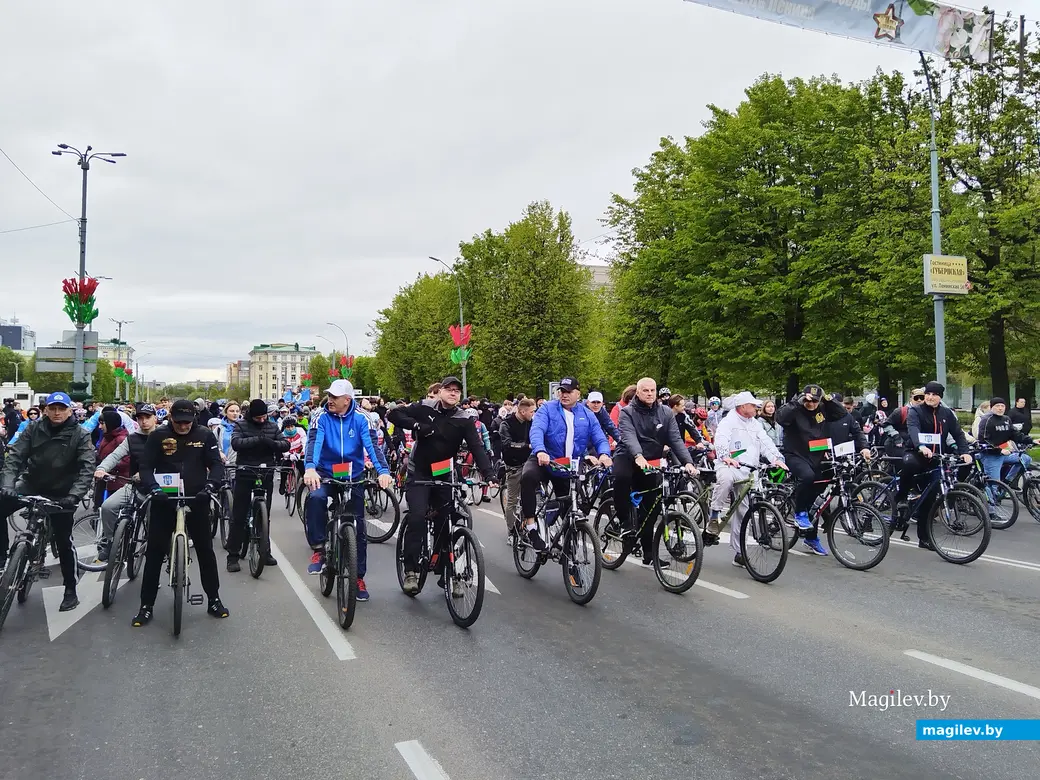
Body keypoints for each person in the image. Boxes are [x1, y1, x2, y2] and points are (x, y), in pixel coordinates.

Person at [387, 376, 494, 595]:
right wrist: (418, 425)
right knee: (417, 517)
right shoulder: (425, 407)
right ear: (440, 391)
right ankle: (410, 571)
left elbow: (476, 447)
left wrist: (489, 474)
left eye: (457, 391)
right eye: (449, 389)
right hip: (420, 472)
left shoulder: (463, 419)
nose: (453, 393)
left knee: (447, 521)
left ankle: (448, 572)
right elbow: (394, 414)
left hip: (444, 473)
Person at [135, 399, 227, 626]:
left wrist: (211, 486)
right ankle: (146, 605)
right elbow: (145, 466)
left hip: (197, 497)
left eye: (188, 422)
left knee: (206, 550)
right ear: (171, 418)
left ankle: (213, 599)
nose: (183, 427)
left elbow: (216, 464)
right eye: (179, 422)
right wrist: (153, 488)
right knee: (155, 552)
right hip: (164, 498)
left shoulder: (205, 435)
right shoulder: (158, 435)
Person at [0, 391, 94, 611]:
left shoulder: (80, 434)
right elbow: (15, 457)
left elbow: (87, 468)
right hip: (32, 483)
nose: (57, 412)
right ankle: (2, 558)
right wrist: (7, 484)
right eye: (53, 408)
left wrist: (74, 496)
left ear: (70, 410)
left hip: (63, 493)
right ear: (46, 410)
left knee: (63, 539)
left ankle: (70, 588)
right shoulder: (34, 428)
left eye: (62, 408)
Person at [302, 380, 390, 602]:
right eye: (329, 395)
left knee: (358, 527)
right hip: (325, 472)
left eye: (335, 397)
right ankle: (319, 548)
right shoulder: (319, 416)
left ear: (347, 400)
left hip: (353, 475)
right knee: (315, 497)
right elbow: (314, 443)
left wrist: (383, 471)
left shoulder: (363, 418)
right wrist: (310, 468)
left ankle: (358, 578)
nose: (330, 400)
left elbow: (373, 446)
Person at [522, 377, 612, 551]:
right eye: (562, 391)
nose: (564, 395)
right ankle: (531, 527)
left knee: (573, 504)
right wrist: (540, 450)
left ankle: (569, 546)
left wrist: (604, 454)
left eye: (569, 391)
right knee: (528, 477)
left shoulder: (587, 414)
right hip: (546, 459)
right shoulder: (547, 409)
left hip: (568, 465)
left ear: (578, 394)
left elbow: (599, 437)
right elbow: (537, 429)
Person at [613, 378, 694, 565]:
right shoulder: (627, 412)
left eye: (653, 390)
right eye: (645, 390)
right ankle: (624, 521)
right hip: (628, 455)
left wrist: (688, 462)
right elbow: (629, 436)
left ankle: (649, 553)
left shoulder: (665, 412)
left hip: (651, 460)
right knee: (621, 478)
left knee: (652, 505)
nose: (650, 393)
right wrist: (638, 456)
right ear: (638, 392)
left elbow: (675, 439)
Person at [707, 391, 787, 565]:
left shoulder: (755, 424)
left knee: (744, 512)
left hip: (750, 470)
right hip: (729, 465)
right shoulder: (728, 422)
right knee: (726, 479)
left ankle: (739, 551)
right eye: (753, 405)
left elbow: (765, 442)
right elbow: (720, 440)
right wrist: (724, 456)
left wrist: (777, 458)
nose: (757, 407)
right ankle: (714, 514)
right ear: (743, 407)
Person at [774, 384, 848, 556]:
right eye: (809, 400)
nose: (812, 404)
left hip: (817, 455)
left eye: (815, 401)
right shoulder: (796, 408)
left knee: (825, 485)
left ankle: (811, 535)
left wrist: (828, 399)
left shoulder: (823, 407)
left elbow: (841, 414)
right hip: (795, 454)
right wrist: (797, 402)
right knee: (807, 477)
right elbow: (780, 418)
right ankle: (799, 512)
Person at [900, 381, 973, 550]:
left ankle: (924, 538)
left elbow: (958, 434)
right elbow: (913, 429)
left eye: (934, 394)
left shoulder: (946, 413)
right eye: (928, 394)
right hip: (916, 452)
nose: (930, 397)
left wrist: (965, 451)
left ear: (940, 397)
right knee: (909, 464)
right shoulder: (915, 411)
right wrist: (921, 446)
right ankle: (901, 497)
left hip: (936, 457)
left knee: (930, 499)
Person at [227, 399, 289, 572]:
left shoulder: (272, 426)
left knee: (264, 515)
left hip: (266, 472)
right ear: (251, 416)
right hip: (245, 471)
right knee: (239, 515)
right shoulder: (240, 425)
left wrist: (271, 443)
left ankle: (265, 551)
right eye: (258, 418)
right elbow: (236, 443)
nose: (262, 420)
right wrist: (256, 440)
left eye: (264, 417)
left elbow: (285, 444)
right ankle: (233, 555)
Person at [94, 404, 160, 561]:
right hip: (134, 486)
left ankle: (157, 552)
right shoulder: (132, 439)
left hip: (157, 488)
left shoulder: (164, 437)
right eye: (140, 418)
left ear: (155, 419)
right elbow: (115, 456)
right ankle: (111, 542)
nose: (144, 421)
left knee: (156, 522)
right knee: (107, 507)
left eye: (147, 417)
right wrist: (102, 468)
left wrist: (146, 474)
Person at [974, 397, 1040, 504]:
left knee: (1025, 459)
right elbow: (984, 440)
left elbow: (1015, 435)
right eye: (997, 406)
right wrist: (999, 450)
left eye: (1002, 406)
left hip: (1004, 454)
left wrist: (1032, 440)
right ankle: (991, 511)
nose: (1000, 408)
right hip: (991, 456)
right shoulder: (986, 420)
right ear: (991, 407)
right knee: (993, 484)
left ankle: (1008, 482)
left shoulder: (1006, 419)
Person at [499, 397, 535, 543]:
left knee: (534, 496)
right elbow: (507, 444)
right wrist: (526, 446)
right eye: (532, 411)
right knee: (513, 500)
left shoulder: (531, 423)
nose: (534, 414)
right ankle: (512, 532)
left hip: (529, 463)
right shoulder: (506, 424)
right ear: (522, 411)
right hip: (513, 465)